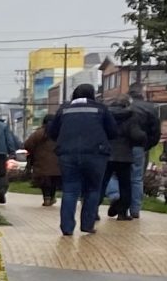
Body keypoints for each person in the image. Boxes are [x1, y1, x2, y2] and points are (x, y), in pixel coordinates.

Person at [44, 82, 118, 236]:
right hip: (95, 154)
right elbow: (113, 132)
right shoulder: (101, 109)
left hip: (68, 154)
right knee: (93, 189)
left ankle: (67, 228)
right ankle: (87, 225)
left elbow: (52, 132)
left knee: (70, 190)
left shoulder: (63, 109)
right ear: (92, 95)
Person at [117, 97, 162, 220]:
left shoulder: (120, 107)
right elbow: (155, 131)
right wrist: (146, 145)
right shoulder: (150, 108)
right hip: (138, 147)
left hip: (119, 147)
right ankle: (135, 209)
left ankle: (116, 198)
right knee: (136, 179)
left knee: (115, 176)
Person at [25, 122, 61, 206]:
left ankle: (46, 198)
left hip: (41, 161)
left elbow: (27, 144)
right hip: (57, 162)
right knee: (53, 181)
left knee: (45, 181)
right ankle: (52, 197)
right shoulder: (59, 132)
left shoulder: (39, 133)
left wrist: (35, 151)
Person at [0, 114, 19, 206]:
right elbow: (9, 140)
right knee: (1, 174)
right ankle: (1, 191)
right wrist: (12, 152)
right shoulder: (3, 126)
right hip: (1, 153)